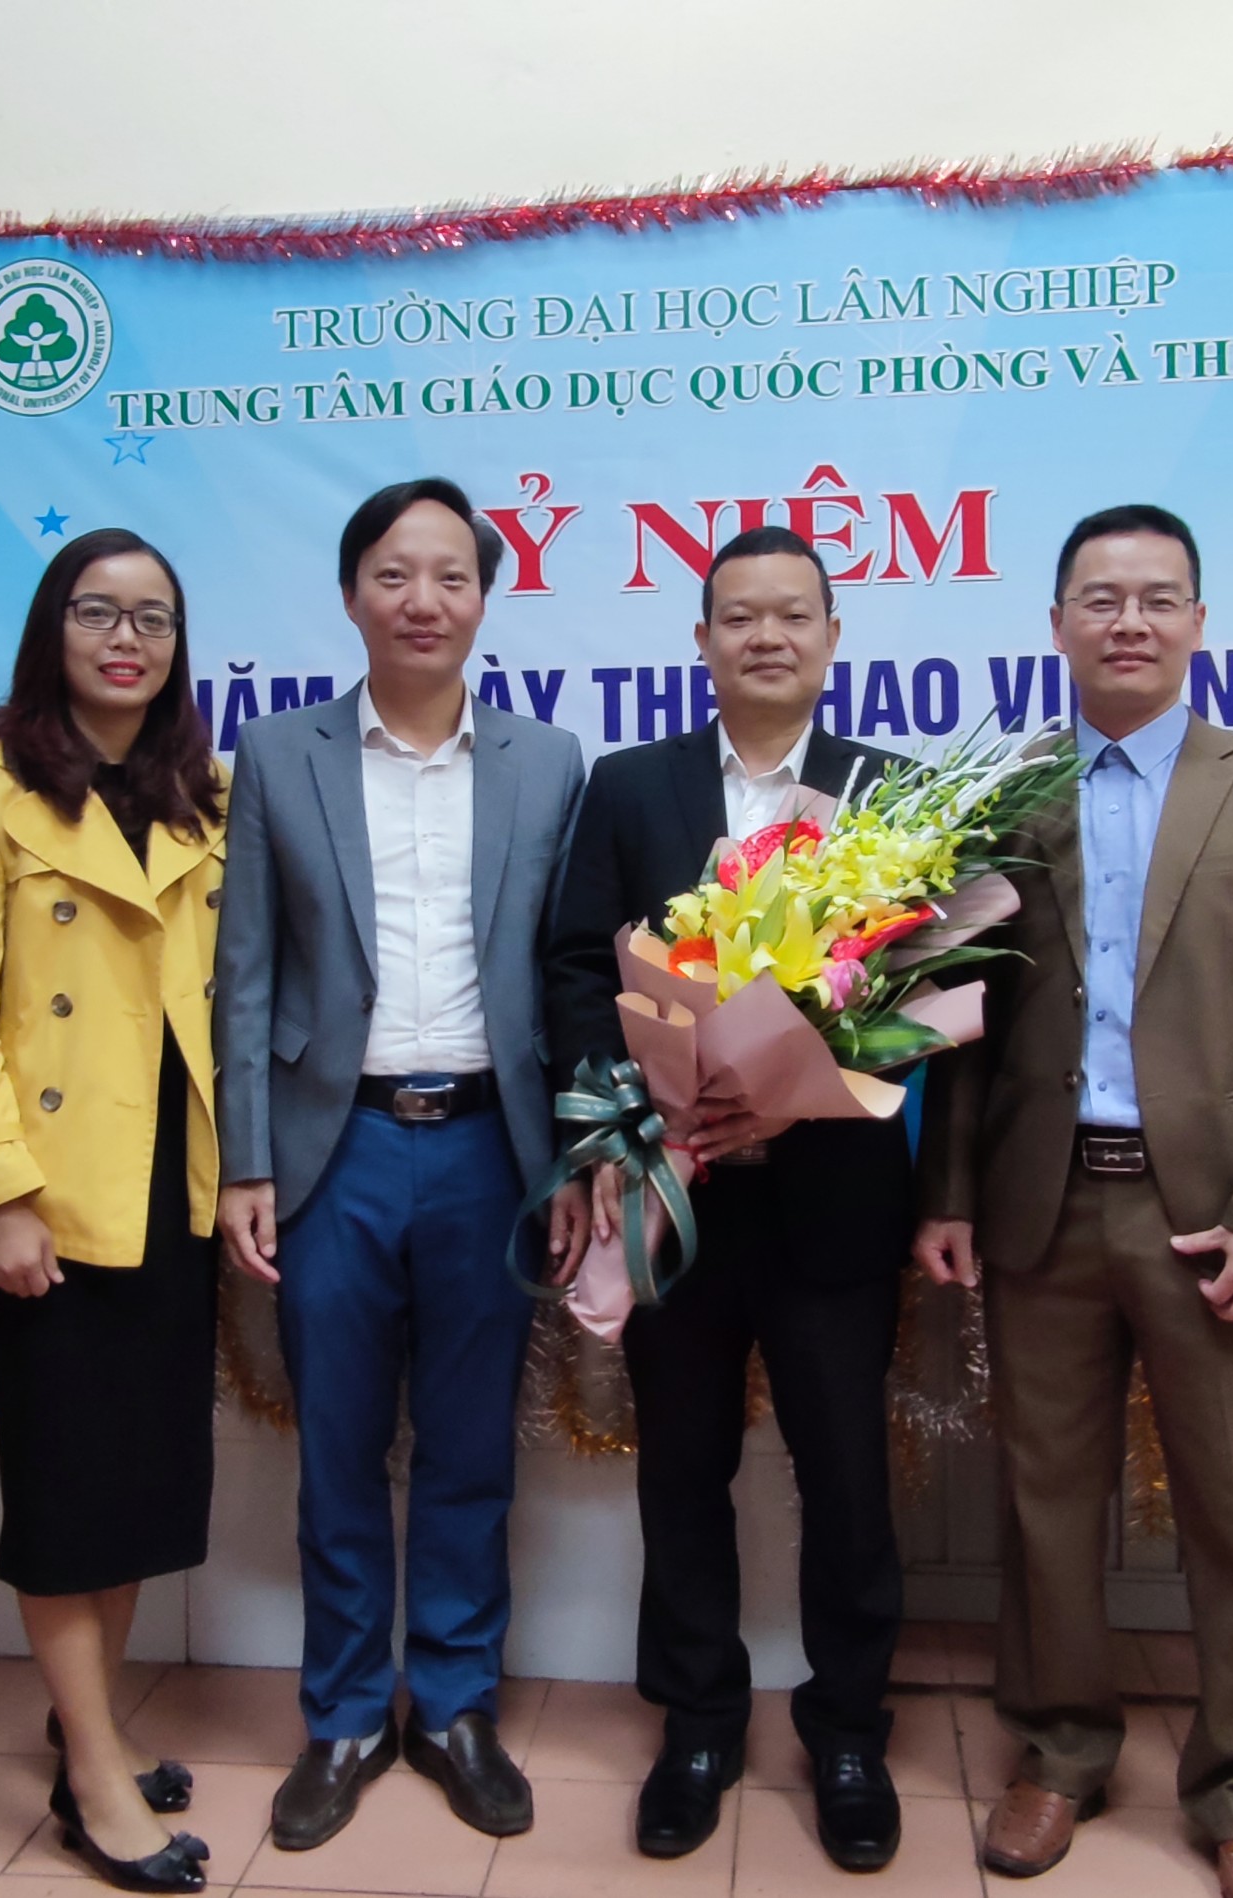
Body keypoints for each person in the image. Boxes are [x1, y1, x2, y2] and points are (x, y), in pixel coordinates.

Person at [912, 504, 1233, 1898]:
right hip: (1042, 1205)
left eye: (1158, 597)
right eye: (1101, 598)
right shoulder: (1004, 795)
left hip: (1216, 1213)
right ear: (1056, 624)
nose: (1129, 621)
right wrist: (948, 1192)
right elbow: (965, 1015)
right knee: (1045, 1500)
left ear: (1199, 621)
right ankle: (1059, 1752)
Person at [212, 477, 588, 1851]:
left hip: (494, 1146)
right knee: (340, 1447)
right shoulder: (279, 753)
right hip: (338, 1149)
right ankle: (347, 1714)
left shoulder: (549, 761)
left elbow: (573, 972)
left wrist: (579, 1154)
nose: (422, 600)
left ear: (484, 598)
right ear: (351, 593)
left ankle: (458, 1705)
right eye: (393, 573)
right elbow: (245, 971)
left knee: (473, 1448)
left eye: (450, 576)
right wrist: (246, 1158)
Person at [543, 524, 912, 1874]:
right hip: (674, 1191)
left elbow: (923, 993)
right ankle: (697, 1725)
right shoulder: (630, 786)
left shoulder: (888, 791)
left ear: (832, 637)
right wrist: (618, 1115)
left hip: (833, 1199)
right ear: (699, 640)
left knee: (847, 1475)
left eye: (792, 615)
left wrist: (810, 1085)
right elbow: (578, 966)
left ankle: (849, 1731)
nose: (767, 636)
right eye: (739, 616)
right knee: (682, 1467)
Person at [0, 527, 226, 1892]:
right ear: (52, 626)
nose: (126, 638)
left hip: (171, 1180)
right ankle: (98, 1781)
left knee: (136, 1485)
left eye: (153, 618)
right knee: (62, 1485)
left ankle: (84, 1727)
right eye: (98, 611)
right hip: (48, 1193)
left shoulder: (198, 790)